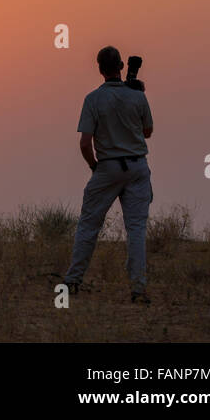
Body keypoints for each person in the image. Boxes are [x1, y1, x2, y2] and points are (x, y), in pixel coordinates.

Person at [63, 46, 154, 303]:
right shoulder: (138, 97)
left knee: (89, 225)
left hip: (107, 167)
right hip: (137, 166)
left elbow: (84, 143)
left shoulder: (93, 99)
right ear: (122, 66)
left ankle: (73, 280)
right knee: (136, 229)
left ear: (100, 68)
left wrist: (95, 167)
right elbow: (147, 132)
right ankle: (138, 288)